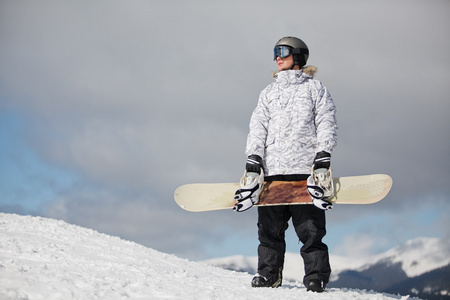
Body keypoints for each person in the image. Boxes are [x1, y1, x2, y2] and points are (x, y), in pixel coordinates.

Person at [234, 36, 338, 292]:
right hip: (272, 174)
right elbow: (257, 127)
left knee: (311, 231)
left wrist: (323, 155)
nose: (277, 57)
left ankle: (316, 276)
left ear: (299, 56)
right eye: (275, 52)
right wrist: (253, 159)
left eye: (283, 51)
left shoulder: (316, 89)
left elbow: (327, 121)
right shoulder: (269, 92)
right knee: (268, 232)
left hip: (305, 174)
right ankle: (268, 275)